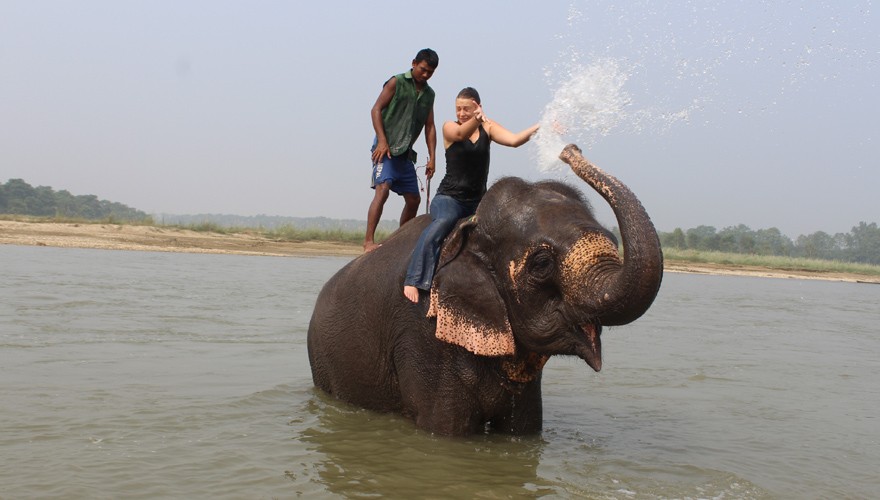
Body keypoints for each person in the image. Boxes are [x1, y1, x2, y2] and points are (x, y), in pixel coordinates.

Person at [403, 87, 539, 303]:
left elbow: (514, 140)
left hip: (477, 202)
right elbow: (461, 134)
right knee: (444, 222)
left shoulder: (488, 127)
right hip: (449, 199)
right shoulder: (450, 127)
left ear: (477, 106)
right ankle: (414, 278)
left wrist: (540, 127)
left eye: (466, 109)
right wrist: (476, 118)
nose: (461, 113)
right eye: (458, 109)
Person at [364, 48, 439, 252]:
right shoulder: (396, 82)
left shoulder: (429, 94)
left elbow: (430, 126)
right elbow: (376, 109)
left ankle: (401, 240)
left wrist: (433, 157)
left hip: (405, 153)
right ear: (414, 63)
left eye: (430, 72)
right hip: (385, 149)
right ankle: (368, 241)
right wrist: (381, 140)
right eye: (423, 69)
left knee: (414, 199)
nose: (425, 75)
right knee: (383, 189)